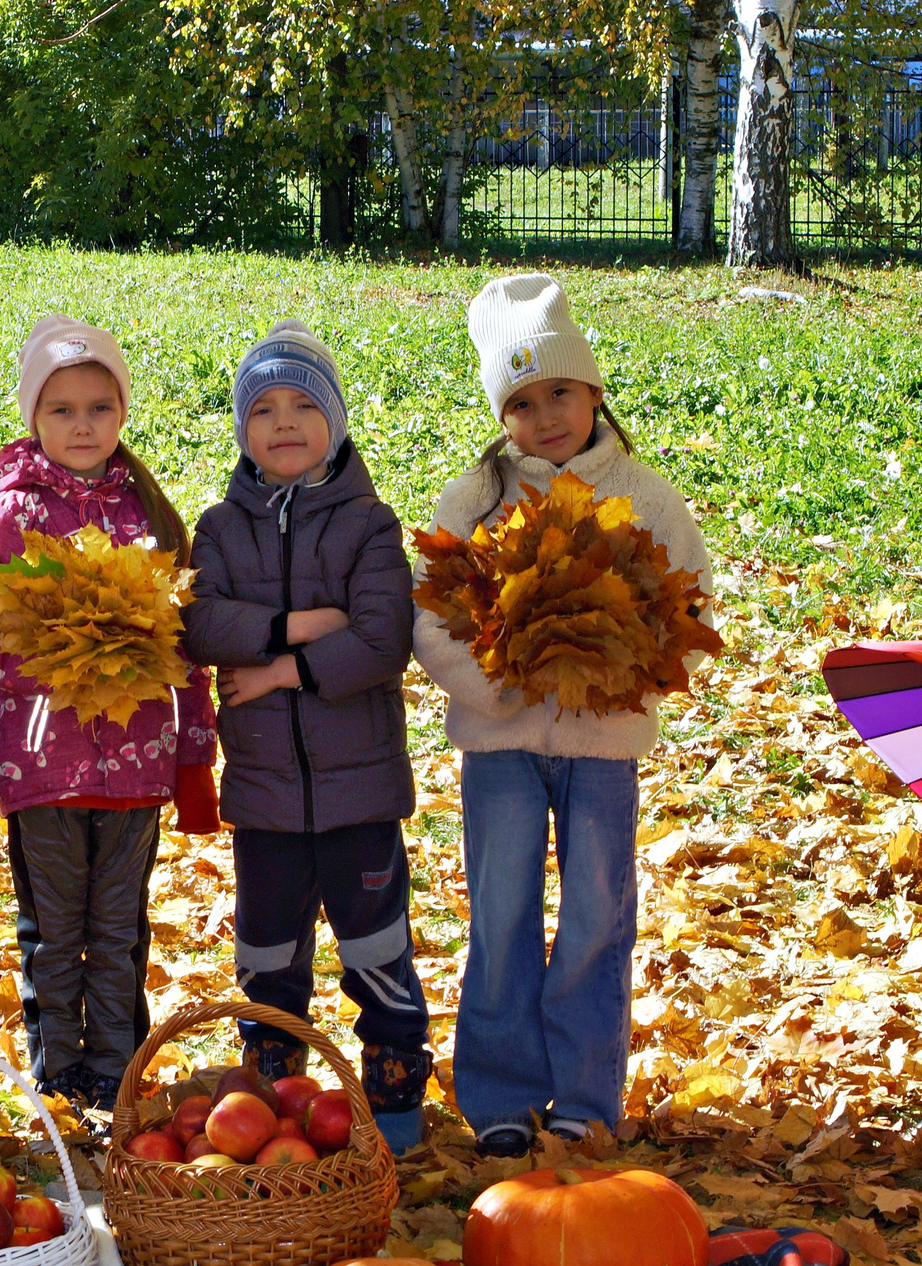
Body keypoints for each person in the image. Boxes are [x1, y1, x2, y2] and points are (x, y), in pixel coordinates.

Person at [418, 274, 715, 1157]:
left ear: (593, 389)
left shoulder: (646, 496)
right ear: (500, 415)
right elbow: (431, 618)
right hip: (500, 742)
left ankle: (586, 1095)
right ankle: (502, 1095)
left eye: (559, 392)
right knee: (500, 909)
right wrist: (497, 687)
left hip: (604, 745)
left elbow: (691, 608)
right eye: (521, 402)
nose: (545, 416)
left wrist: (626, 679)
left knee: (595, 914)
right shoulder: (475, 501)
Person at [181, 322, 431, 1155]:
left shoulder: (368, 523)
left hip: (359, 791)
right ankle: (273, 1104)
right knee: (267, 955)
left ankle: (395, 1102)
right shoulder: (221, 528)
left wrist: (280, 670)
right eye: (263, 409)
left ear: (336, 420)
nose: (283, 422)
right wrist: (299, 624)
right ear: (242, 429)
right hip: (265, 795)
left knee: (376, 947)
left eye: (303, 405)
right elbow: (201, 622)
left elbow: (380, 639)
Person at [0, 315, 217, 1112]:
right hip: (44, 767)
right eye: (62, 409)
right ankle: (57, 1072)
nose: (82, 425)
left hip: (137, 767)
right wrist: (52, 659)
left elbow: (183, 645)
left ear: (123, 413)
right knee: (53, 927)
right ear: (33, 416)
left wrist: (194, 752)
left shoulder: (148, 516)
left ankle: (114, 1070)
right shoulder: (13, 514)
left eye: (100, 407)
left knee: (119, 928)